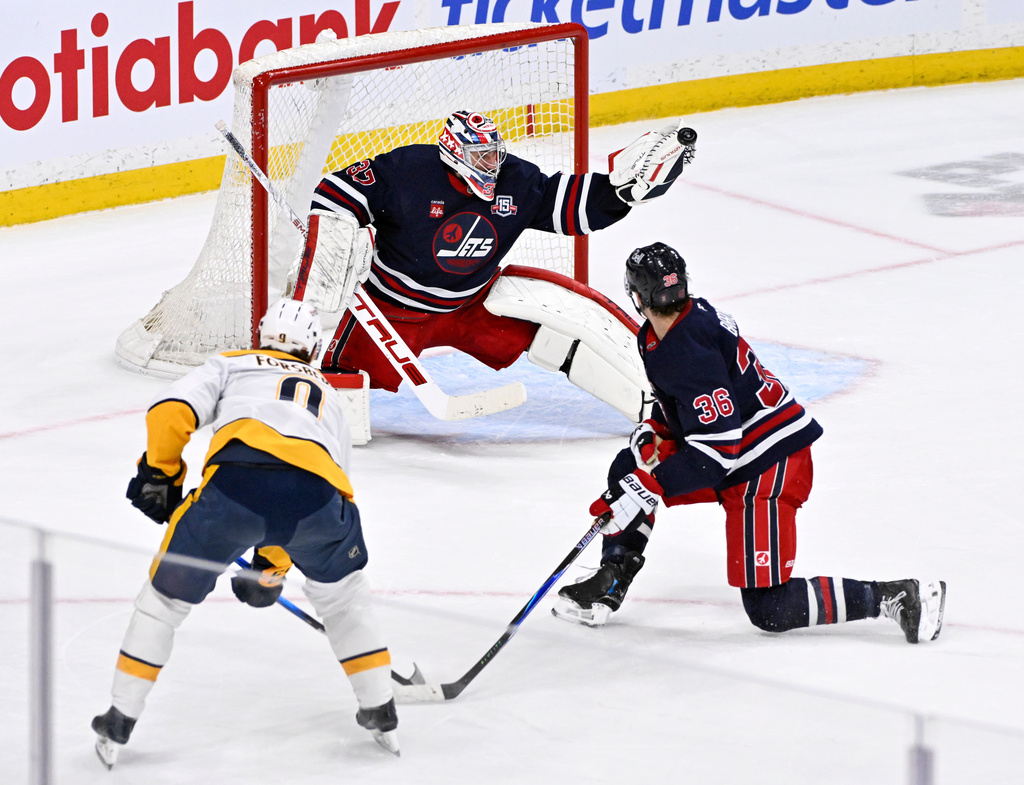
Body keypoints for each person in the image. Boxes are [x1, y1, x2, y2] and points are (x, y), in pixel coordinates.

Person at [551, 242, 947, 644]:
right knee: (628, 468)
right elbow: (688, 405)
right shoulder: (664, 331)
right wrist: (658, 431)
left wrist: (648, 489)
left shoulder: (687, 348)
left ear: (636, 296)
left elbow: (717, 451)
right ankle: (610, 582)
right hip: (737, 447)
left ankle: (893, 595)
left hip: (770, 464)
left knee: (769, 608)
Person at [91, 298, 400, 770]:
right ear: (312, 349)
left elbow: (170, 411)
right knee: (343, 599)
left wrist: (161, 473)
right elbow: (317, 483)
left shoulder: (232, 363)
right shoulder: (329, 393)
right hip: (321, 503)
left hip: (233, 491)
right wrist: (269, 567)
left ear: (260, 335)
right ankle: (380, 708)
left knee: (164, 604)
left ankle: (120, 717)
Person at [290, 110, 697, 442]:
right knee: (334, 386)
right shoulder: (407, 170)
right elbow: (335, 193)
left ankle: (650, 406)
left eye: (494, 154)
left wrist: (618, 193)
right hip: (391, 312)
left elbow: (570, 206)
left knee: (551, 339)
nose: (492, 165)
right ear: (453, 153)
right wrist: (338, 232)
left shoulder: (516, 180)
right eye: (481, 157)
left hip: (469, 306)